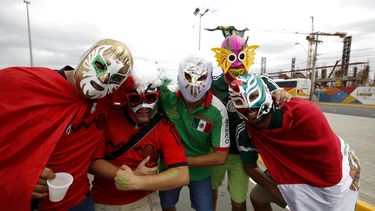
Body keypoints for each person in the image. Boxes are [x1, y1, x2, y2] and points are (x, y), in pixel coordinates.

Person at [0, 39, 133, 210]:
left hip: (80, 201)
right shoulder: (21, 83)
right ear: (86, 55)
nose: (103, 78)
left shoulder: (105, 99)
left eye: (116, 78)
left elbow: (147, 93)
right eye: (100, 66)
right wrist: (16, 177)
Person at [228, 73, 361, 211]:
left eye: (253, 96)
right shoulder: (244, 132)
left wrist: (302, 194)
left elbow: (330, 169)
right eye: (239, 101)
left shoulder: (302, 112)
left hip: (328, 168)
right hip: (284, 168)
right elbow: (249, 166)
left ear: (265, 93)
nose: (249, 106)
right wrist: (275, 189)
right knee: (258, 197)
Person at [89, 60, 189, 211]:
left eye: (150, 98)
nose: (143, 107)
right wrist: (130, 175)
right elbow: (92, 162)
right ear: (126, 98)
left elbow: (182, 175)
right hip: (104, 201)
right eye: (135, 99)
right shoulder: (108, 118)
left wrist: (137, 182)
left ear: (157, 97)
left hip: (143, 200)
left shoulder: (164, 127)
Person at [210, 34, 290, 211]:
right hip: (215, 152)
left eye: (242, 57)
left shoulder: (258, 82)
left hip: (242, 155)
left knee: (238, 201)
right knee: (210, 194)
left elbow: (282, 95)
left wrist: (280, 94)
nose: (237, 65)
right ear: (222, 59)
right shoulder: (213, 86)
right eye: (231, 58)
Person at [158, 53, 230, 211]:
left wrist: (180, 160)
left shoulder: (218, 110)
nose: (194, 86)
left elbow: (221, 156)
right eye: (188, 78)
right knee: (167, 205)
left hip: (199, 172)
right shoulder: (167, 97)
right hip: (169, 169)